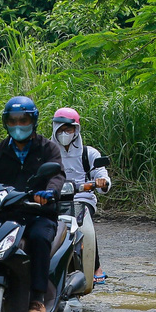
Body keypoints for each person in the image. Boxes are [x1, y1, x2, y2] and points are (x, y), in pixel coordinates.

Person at [0, 96, 66, 312]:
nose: (18, 126)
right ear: (6, 122)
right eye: (13, 121)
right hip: (8, 214)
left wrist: (49, 193)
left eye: (23, 120)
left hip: (39, 214)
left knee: (38, 238)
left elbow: (57, 174)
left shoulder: (48, 149)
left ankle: (37, 298)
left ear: (33, 121)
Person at [50, 107, 111, 283]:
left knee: (84, 227)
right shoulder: (46, 151)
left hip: (82, 199)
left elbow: (102, 175)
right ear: (54, 128)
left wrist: (102, 182)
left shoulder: (88, 153)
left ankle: (95, 267)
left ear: (76, 130)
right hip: (53, 198)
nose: (64, 133)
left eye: (68, 129)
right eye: (60, 128)